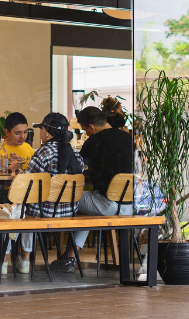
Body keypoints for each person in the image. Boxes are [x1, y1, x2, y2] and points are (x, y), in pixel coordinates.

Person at [51, 106, 136, 272]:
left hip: (106, 204)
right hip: (128, 205)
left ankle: (68, 258)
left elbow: (76, 168)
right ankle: (70, 257)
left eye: (84, 130)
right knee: (87, 208)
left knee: (68, 196)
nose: (85, 134)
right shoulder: (128, 138)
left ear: (91, 127)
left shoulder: (94, 141)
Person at [4, 113, 85, 275]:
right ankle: (24, 260)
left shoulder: (44, 152)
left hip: (44, 212)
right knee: (28, 205)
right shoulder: (76, 155)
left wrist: (17, 169)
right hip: (68, 213)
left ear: (47, 132)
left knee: (17, 206)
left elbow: (28, 183)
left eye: (41, 128)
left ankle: (7, 261)